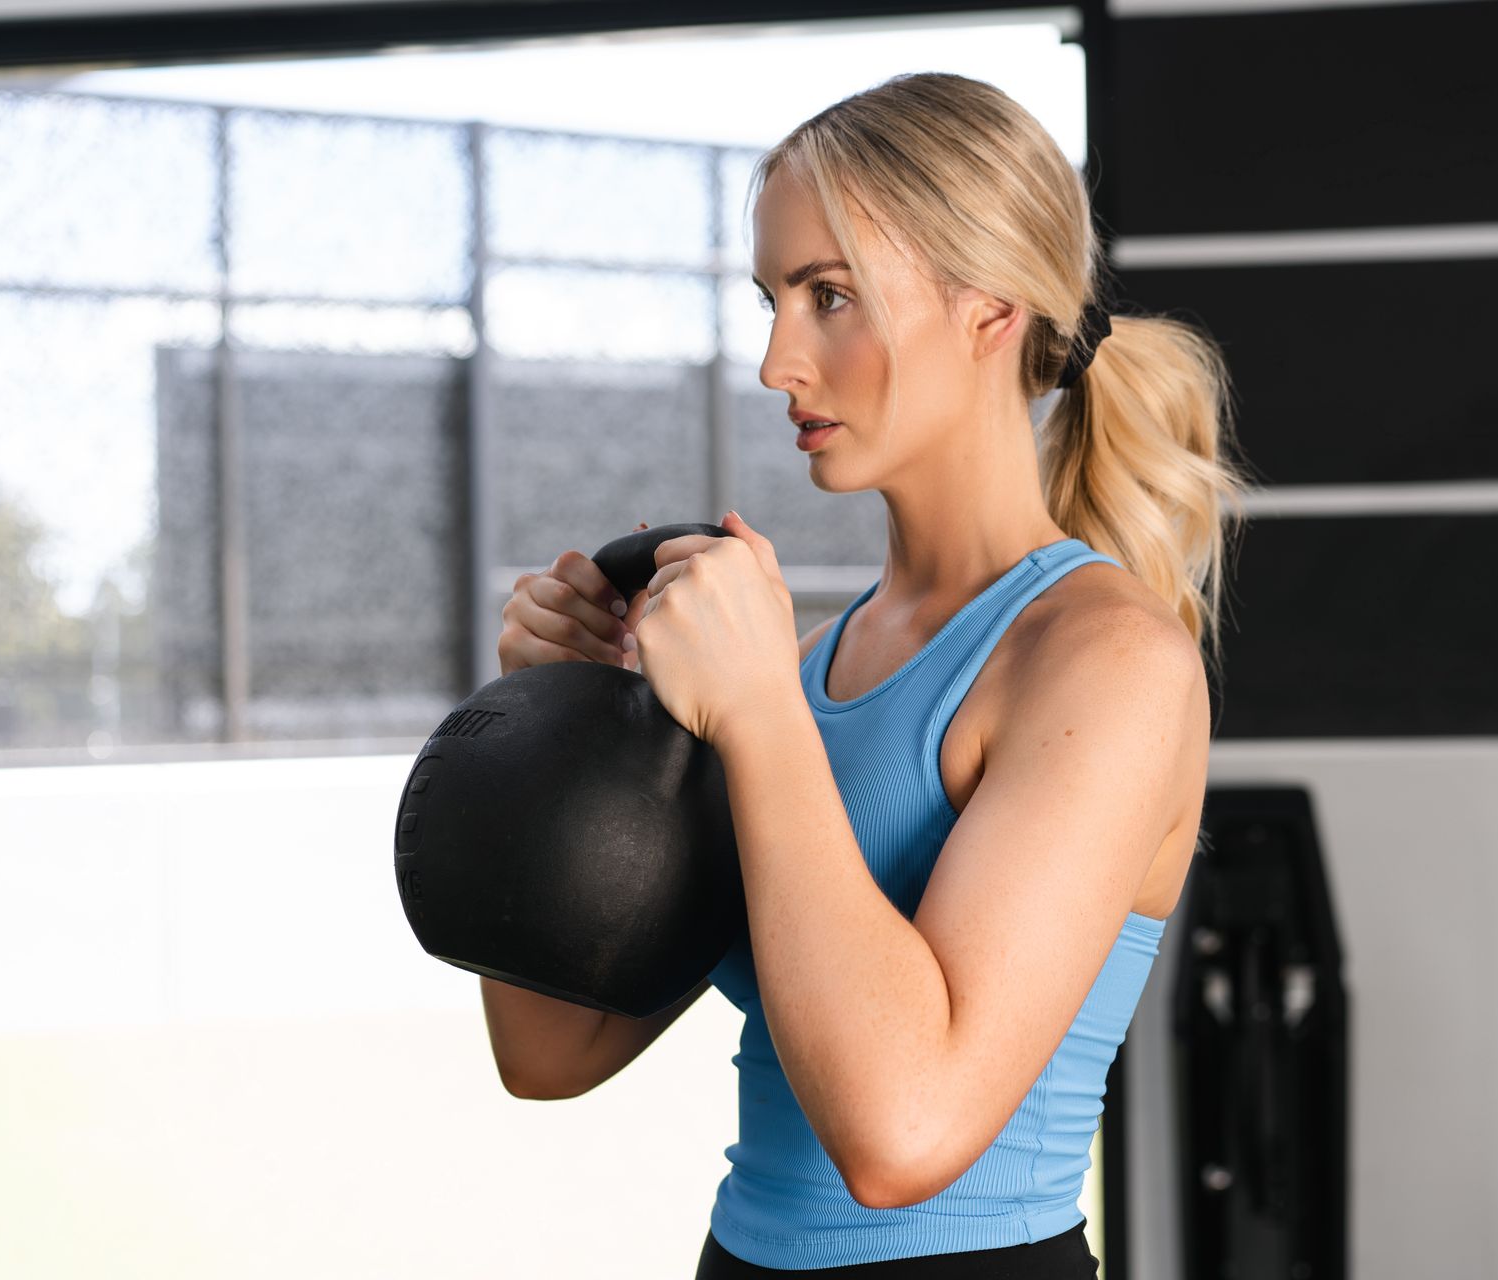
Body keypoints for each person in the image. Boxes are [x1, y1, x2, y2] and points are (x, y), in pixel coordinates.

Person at [496, 69, 1255, 1277]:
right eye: (771, 299)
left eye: (829, 296)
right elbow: (552, 1048)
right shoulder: (803, 668)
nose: (774, 361)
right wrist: (563, 717)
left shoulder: (1107, 662)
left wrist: (753, 716)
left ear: (989, 310)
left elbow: (905, 1136)